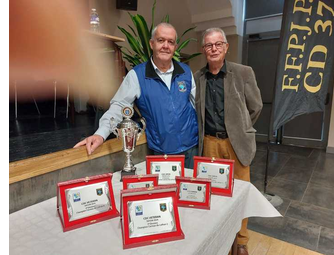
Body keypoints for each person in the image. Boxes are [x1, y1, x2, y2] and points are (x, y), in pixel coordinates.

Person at [74, 23, 198, 168]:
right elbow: (119, 106)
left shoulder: (186, 71)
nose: (166, 45)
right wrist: (100, 134)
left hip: (191, 149)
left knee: (190, 190)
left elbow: (195, 105)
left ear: (175, 47)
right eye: (161, 40)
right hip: (161, 152)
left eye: (170, 42)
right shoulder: (137, 75)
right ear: (152, 44)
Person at [194, 28, 263, 255]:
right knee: (213, 195)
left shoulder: (243, 72)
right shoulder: (198, 77)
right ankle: (220, 239)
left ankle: (241, 242)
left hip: (236, 145)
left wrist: (240, 129)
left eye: (218, 44)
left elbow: (256, 107)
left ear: (226, 47)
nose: (213, 49)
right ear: (203, 49)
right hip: (209, 144)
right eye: (208, 45)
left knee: (240, 193)